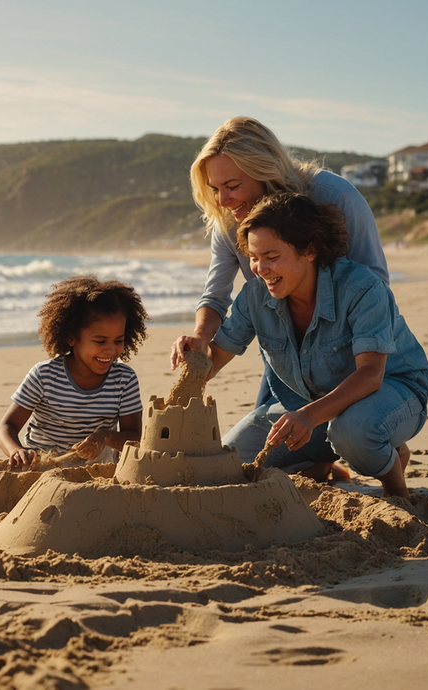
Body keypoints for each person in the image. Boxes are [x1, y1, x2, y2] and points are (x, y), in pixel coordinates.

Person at [170, 116, 390, 468]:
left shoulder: (335, 197)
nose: (223, 200)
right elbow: (215, 296)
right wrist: (199, 338)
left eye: (232, 185)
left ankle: (381, 448)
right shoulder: (230, 221)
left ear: (264, 170)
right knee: (251, 461)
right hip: (285, 350)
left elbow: (375, 285)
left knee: (342, 433)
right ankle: (320, 460)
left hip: (348, 350)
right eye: (215, 189)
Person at [206, 193, 428, 498]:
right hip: (309, 406)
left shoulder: (361, 287)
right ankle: (322, 461)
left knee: (353, 432)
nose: (260, 269)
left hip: (393, 391)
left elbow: (371, 374)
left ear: (309, 250)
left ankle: (394, 481)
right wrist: (195, 355)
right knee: (230, 463)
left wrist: (308, 417)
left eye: (271, 257)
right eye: (254, 258)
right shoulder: (254, 297)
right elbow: (216, 356)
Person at [0, 276, 148, 470]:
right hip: (42, 468)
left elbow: (133, 435)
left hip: (96, 471)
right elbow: (6, 426)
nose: (111, 351)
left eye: (118, 341)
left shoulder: (124, 379)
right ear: (71, 337)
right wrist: (15, 451)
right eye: (100, 342)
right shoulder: (44, 376)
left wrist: (105, 436)